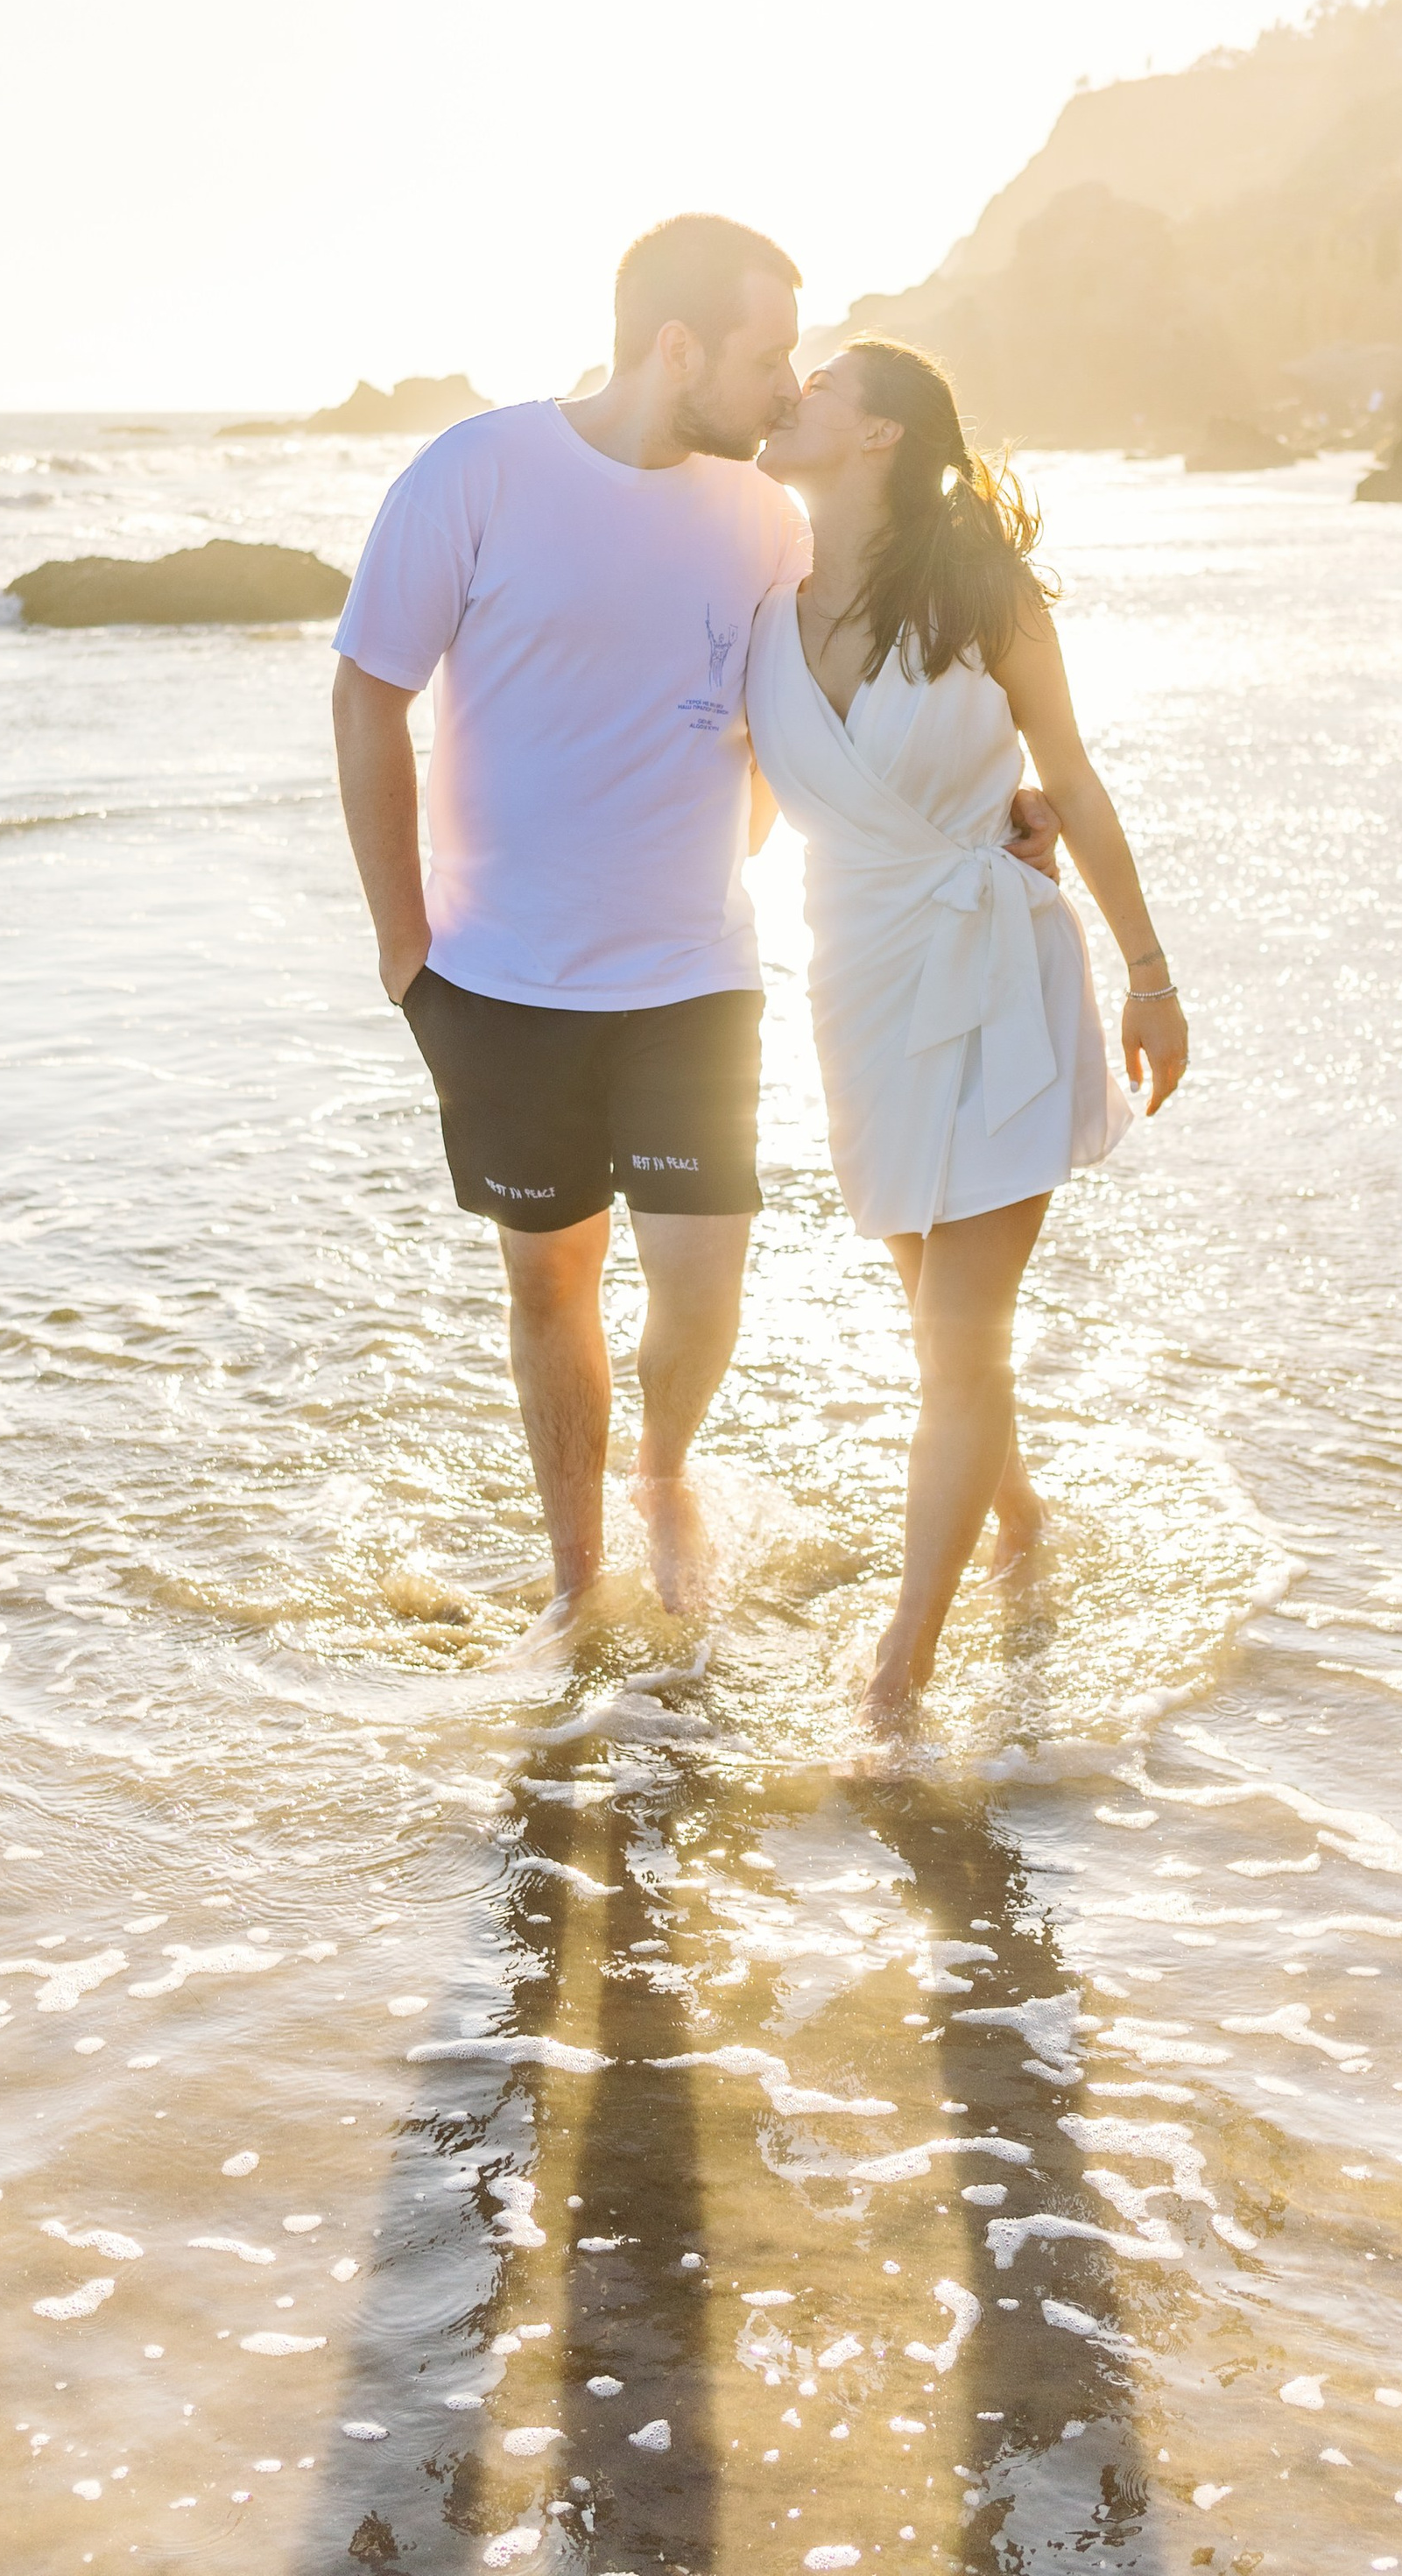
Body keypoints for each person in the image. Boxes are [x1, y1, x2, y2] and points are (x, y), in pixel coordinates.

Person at [330, 216, 1060, 1627]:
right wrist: (400, 941)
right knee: (552, 1287)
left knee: (703, 1292)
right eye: (766, 354)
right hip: (496, 978)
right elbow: (370, 690)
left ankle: (663, 1472)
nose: (788, 388)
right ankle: (575, 1579)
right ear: (678, 349)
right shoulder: (474, 474)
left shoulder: (766, 520)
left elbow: (862, 683)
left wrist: (1000, 796)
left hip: (694, 975)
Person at [746, 336, 1187, 1723]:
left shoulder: (983, 593)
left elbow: (1075, 780)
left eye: (817, 384)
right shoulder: (755, 593)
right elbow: (733, 798)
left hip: (1000, 974)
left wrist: (1153, 974)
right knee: (926, 1306)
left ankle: (899, 1673)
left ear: (879, 435)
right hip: (856, 981)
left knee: (960, 1333)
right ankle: (1018, 1517)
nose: (789, 397)